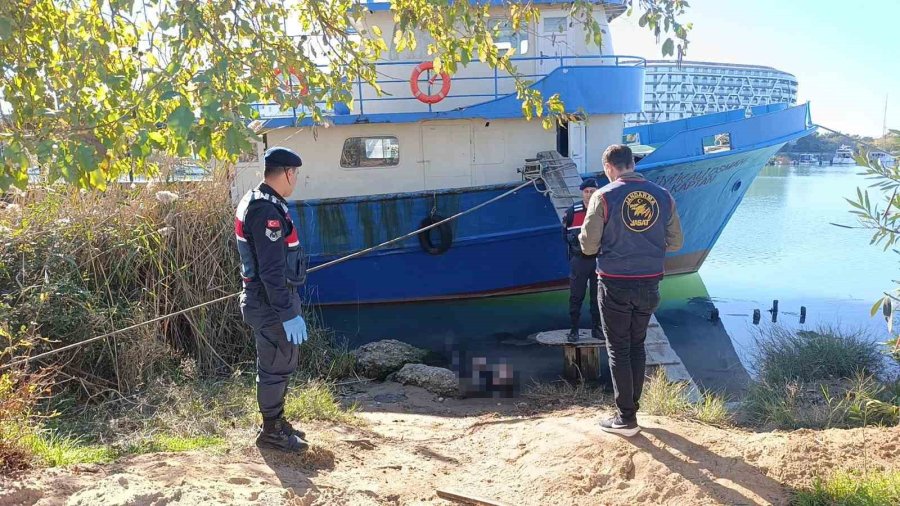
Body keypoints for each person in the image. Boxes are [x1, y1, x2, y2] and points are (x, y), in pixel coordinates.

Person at [578, 144, 683, 437]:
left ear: (609, 167)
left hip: (614, 283)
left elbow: (588, 246)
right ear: (632, 164)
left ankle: (626, 419)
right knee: (637, 345)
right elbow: (675, 243)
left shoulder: (602, 196)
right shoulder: (663, 196)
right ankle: (631, 411)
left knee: (618, 349)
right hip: (650, 282)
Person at [234, 146, 310, 452]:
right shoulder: (266, 211)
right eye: (297, 175)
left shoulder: (260, 200)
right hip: (269, 302)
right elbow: (271, 271)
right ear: (289, 173)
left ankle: (276, 422)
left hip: (266, 300)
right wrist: (287, 312)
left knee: (279, 362)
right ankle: (271, 432)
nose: (297, 180)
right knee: (275, 366)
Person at [562, 178, 602, 342]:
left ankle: (597, 329)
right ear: (582, 193)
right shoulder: (572, 212)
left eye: (592, 191)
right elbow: (565, 236)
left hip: (599, 260)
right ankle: (574, 330)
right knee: (576, 296)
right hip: (579, 260)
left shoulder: (603, 211)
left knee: (598, 296)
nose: (589, 194)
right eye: (586, 191)